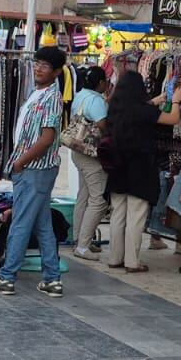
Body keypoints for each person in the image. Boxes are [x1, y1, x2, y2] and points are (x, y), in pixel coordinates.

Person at [0, 45, 67, 298]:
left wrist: (21, 162)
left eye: (45, 66)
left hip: (35, 169)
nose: (38, 68)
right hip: (32, 169)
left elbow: (47, 138)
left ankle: (7, 276)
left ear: (55, 71)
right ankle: (52, 278)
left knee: (20, 222)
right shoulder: (38, 93)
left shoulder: (52, 98)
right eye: (37, 63)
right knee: (42, 225)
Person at [100, 71, 181, 272]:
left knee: (118, 214)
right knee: (136, 216)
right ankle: (132, 261)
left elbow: (138, 111)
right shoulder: (144, 111)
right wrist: (176, 101)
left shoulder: (115, 109)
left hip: (117, 167)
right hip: (140, 168)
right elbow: (172, 119)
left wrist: (156, 100)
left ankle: (115, 257)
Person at [69, 66, 110, 260]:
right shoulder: (97, 100)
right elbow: (103, 126)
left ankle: (78, 239)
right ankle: (83, 246)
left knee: (83, 196)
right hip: (91, 155)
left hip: (77, 152)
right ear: (100, 83)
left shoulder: (81, 95)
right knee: (98, 200)